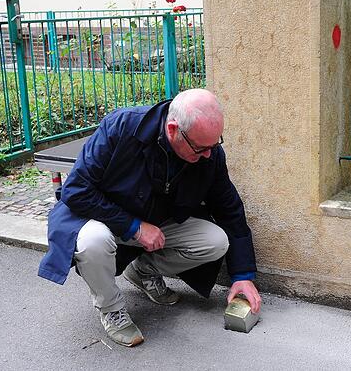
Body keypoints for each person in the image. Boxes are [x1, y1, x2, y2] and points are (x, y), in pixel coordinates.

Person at [38, 88, 261, 347]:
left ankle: (142, 272)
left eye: (215, 144)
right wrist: (133, 226)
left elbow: (228, 207)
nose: (208, 155)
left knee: (215, 241)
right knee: (92, 241)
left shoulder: (208, 153)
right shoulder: (122, 126)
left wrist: (243, 275)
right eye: (201, 148)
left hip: (153, 223)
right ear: (173, 129)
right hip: (101, 220)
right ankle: (111, 308)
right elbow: (76, 189)